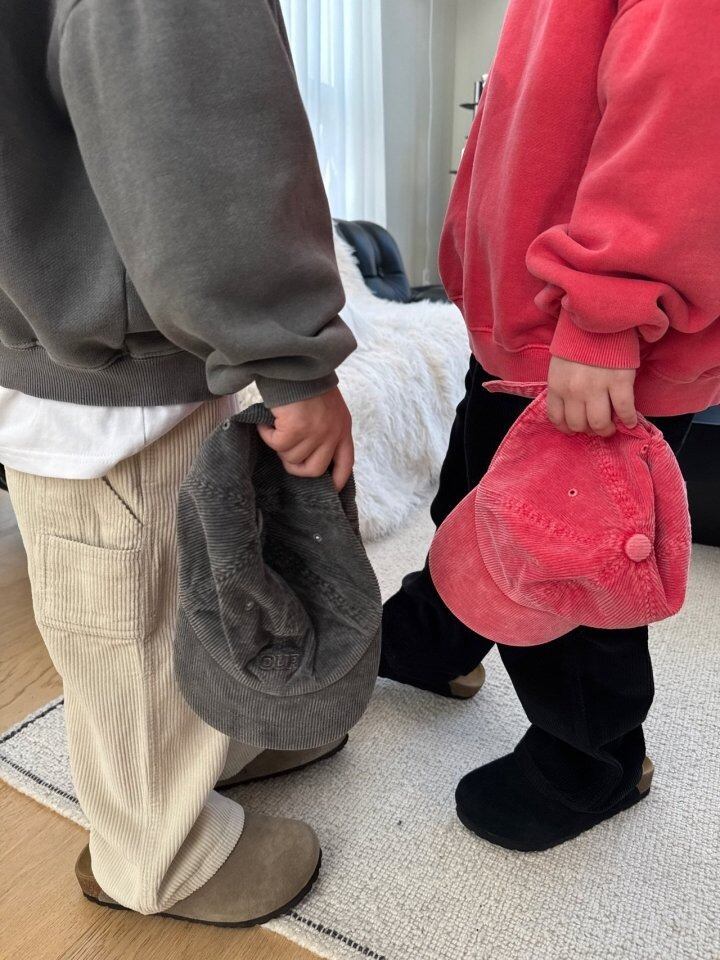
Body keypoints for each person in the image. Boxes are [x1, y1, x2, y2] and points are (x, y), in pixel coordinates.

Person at [0, 0, 357, 925]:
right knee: (128, 628)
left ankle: (216, 745)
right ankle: (158, 859)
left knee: (185, 589)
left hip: (87, 335)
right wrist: (290, 358)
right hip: (102, 378)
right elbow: (201, 139)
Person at [381, 0, 720, 851]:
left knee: (570, 560)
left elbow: (686, 109)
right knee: (472, 492)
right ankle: (440, 634)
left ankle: (594, 759)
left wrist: (607, 313)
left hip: (597, 336)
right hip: (530, 314)